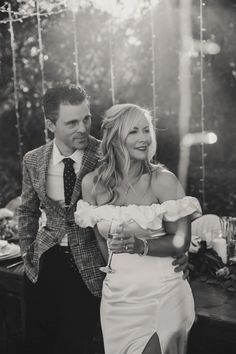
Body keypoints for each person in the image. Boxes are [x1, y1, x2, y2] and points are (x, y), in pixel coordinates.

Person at [17, 85, 189, 354]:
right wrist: (28, 253)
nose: (83, 128)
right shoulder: (34, 160)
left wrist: (172, 253)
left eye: (86, 119)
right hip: (46, 262)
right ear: (51, 124)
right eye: (72, 122)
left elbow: (166, 223)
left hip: (92, 269)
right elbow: (27, 210)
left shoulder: (107, 153)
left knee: (79, 345)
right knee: (36, 342)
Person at [75, 103, 202, 354]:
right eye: (133, 132)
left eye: (146, 130)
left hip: (162, 292)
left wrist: (140, 246)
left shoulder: (162, 180)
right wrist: (116, 274)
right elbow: (101, 241)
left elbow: (181, 241)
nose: (144, 138)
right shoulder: (92, 184)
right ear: (114, 138)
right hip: (118, 298)